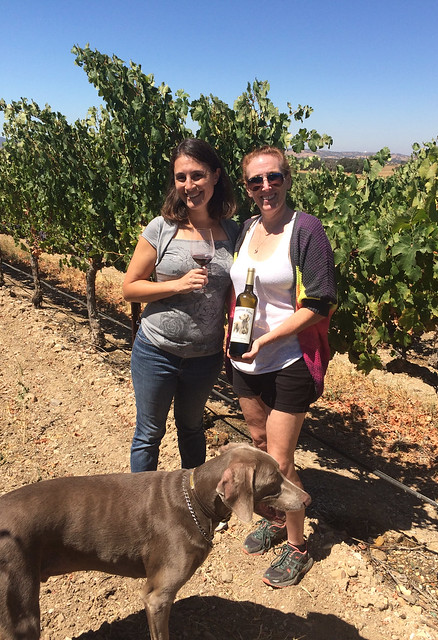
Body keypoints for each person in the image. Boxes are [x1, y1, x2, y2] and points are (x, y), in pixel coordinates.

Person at [228, 145, 337, 588]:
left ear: (287, 179)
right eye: (256, 181)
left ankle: (298, 545)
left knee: (280, 459)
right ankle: (274, 520)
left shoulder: (306, 229)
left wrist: (268, 338)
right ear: (248, 188)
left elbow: (320, 303)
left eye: (273, 177)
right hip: (242, 357)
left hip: (287, 357)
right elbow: (238, 291)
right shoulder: (246, 229)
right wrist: (230, 330)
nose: (266, 187)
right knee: (256, 440)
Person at [123, 138, 238, 472]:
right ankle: (141, 514)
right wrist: (176, 284)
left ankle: (192, 506)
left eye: (197, 175)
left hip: (205, 358)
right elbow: (129, 288)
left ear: (216, 176)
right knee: (149, 434)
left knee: (191, 429)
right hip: (156, 351)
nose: (189, 185)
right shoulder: (161, 229)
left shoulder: (233, 232)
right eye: (181, 177)